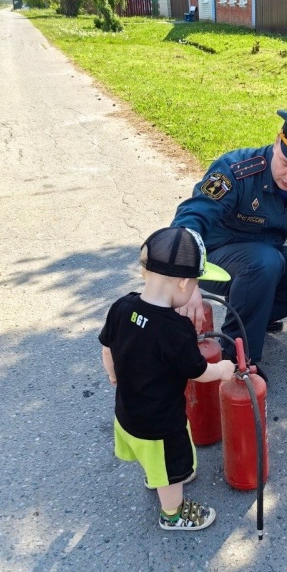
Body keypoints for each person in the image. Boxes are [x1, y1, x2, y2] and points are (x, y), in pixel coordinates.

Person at [170, 110, 287, 376]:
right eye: (286, 163)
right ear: (277, 143)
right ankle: (237, 359)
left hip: (264, 263)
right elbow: (190, 219)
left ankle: (254, 316)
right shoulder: (235, 170)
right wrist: (188, 277)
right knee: (264, 260)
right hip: (213, 262)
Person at [99, 227, 236, 532]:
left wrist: (113, 375)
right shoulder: (175, 329)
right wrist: (223, 370)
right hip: (161, 424)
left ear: (145, 270)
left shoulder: (122, 306)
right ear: (185, 282)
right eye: (196, 282)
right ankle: (172, 514)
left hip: (127, 414)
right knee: (171, 468)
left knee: (156, 459)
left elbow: (107, 349)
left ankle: (156, 474)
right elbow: (199, 371)